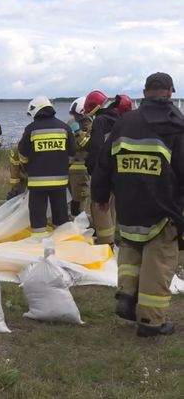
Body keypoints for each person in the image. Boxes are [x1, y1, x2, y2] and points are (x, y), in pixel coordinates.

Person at [92, 72, 184, 337]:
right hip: (163, 208)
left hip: (129, 205)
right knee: (159, 261)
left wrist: (100, 197)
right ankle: (150, 321)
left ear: (144, 94)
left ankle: (126, 295)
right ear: (170, 92)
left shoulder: (124, 123)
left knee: (131, 250)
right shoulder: (177, 124)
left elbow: (103, 162)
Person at [18, 96, 76, 236]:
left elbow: (22, 154)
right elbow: (72, 154)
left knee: (38, 220)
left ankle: (38, 247)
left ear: (35, 111)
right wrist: (61, 165)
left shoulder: (31, 129)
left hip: (37, 183)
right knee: (61, 217)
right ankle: (61, 246)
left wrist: (27, 167)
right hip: (60, 182)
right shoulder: (65, 128)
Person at [84, 90, 120, 245]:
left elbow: (96, 147)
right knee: (112, 206)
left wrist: (92, 168)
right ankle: (112, 239)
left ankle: (105, 243)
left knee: (100, 206)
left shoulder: (100, 121)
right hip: (118, 170)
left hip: (103, 171)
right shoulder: (118, 118)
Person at [67, 96, 92, 217]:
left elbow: (86, 144)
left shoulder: (91, 126)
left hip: (82, 170)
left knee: (81, 203)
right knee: (72, 202)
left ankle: (81, 227)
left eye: (75, 114)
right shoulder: (71, 123)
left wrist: (77, 132)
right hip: (69, 168)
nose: (74, 117)